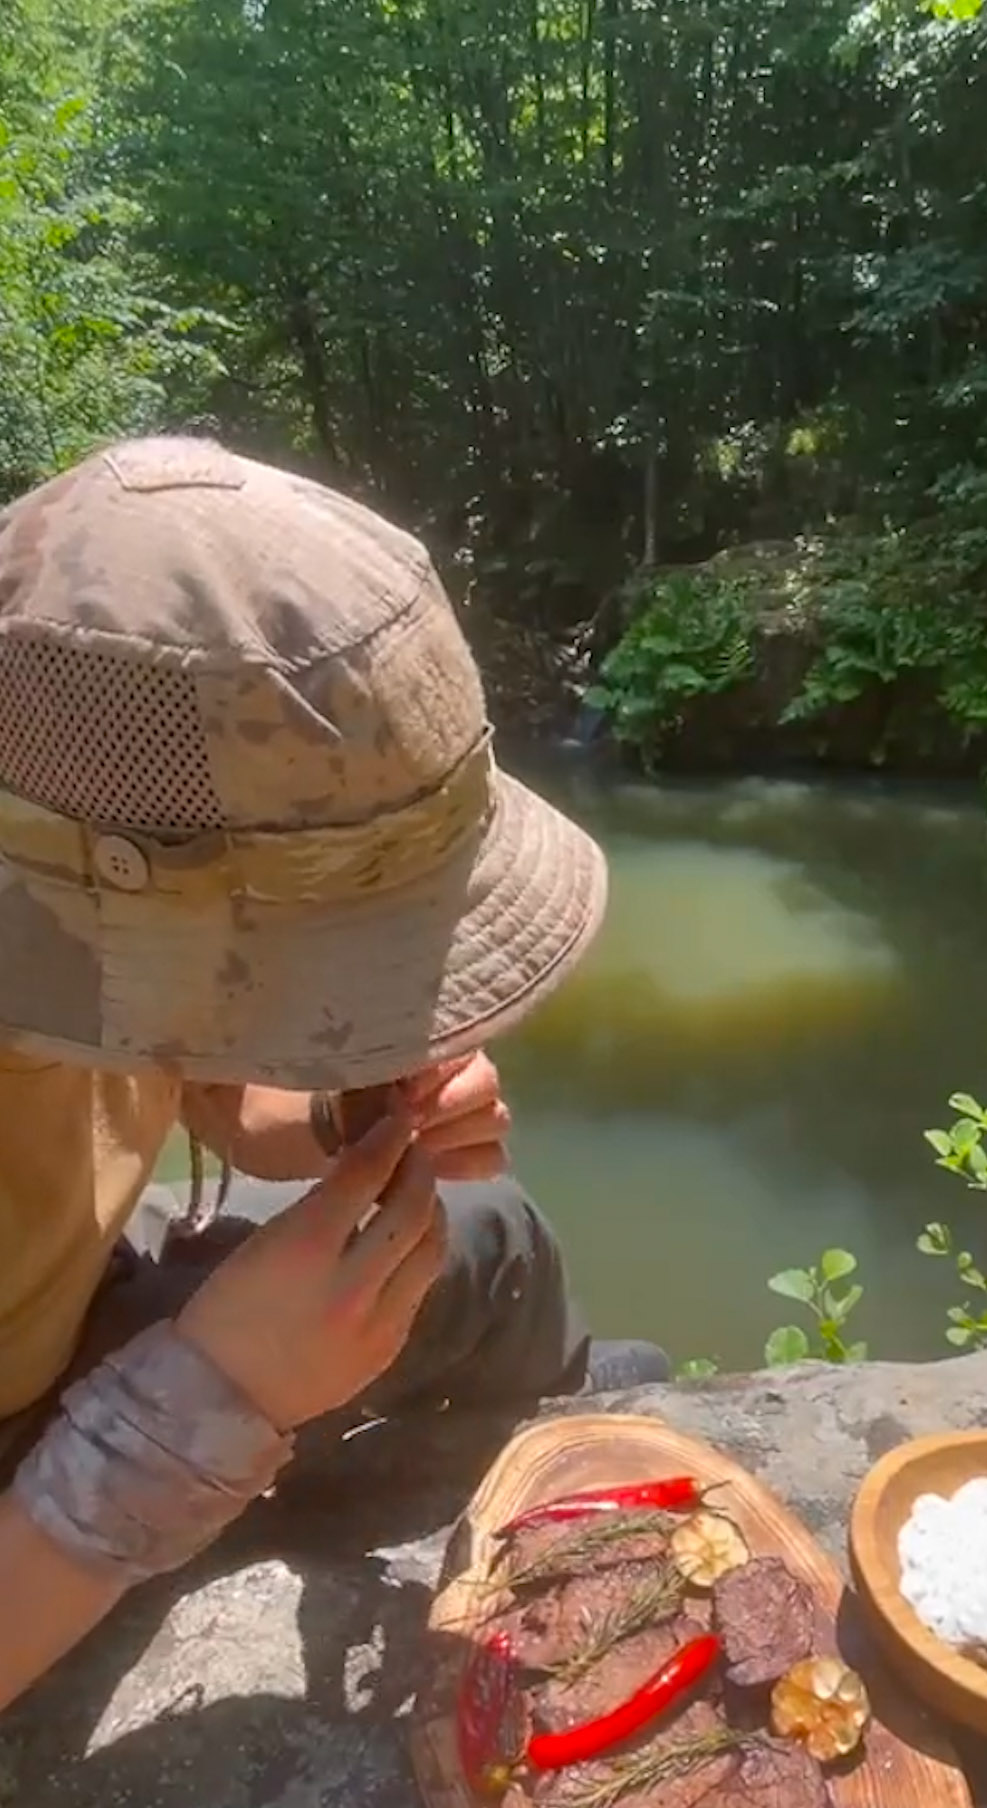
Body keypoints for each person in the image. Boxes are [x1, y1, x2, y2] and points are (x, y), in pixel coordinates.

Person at [0, 434, 669, 1715]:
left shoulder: (74, 832)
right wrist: (210, 1398)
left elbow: (220, 1097)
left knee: (483, 1230)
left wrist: (343, 1112)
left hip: (86, 1294)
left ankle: (532, 1439)